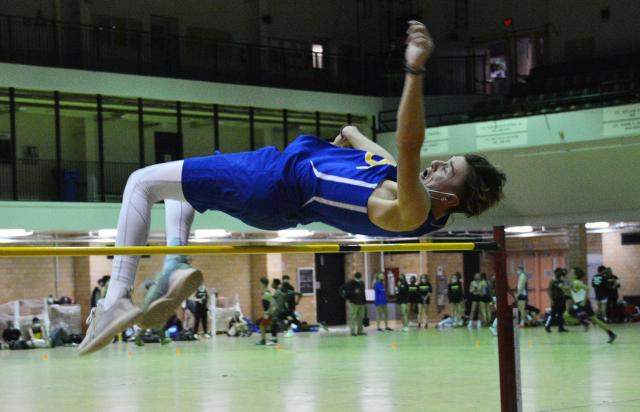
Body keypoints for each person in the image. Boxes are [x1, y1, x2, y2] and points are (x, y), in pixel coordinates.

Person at [79, 20, 506, 355]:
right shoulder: (395, 181)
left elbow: (409, 145)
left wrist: (414, 69)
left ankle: (116, 296)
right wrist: (348, 135)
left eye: (447, 168)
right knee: (182, 185)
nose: (436, 164)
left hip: (274, 182)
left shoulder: (411, 208)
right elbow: (380, 152)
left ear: (451, 198)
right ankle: (175, 263)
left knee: (140, 184)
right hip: (278, 184)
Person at [567, 267, 616, 343]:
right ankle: (611, 334)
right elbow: (574, 293)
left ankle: (584, 321)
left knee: (566, 315)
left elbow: (587, 288)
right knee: (595, 320)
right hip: (582, 303)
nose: (570, 273)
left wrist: (583, 301)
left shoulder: (576, 282)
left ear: (576, 275)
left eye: (572, 272)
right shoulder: (573, 282)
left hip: (582, 303)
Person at [545, 268, 569, 333]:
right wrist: (551, 300)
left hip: (561, 299)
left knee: (560, 314)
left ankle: (561, 328)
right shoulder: (552, 281)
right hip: (555, 300)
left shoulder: (562, 280)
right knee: (552, 314)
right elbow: (549, 291)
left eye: (560, 272)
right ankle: (547, 326)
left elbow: (566, 288)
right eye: (558, 272)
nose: (560, 273)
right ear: (555, 273)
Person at [256, 277, 278, 346]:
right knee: (264, 325)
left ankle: (263, 340)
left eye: (260, 283)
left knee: (262, 326)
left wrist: (268, 311)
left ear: (263, 284)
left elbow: (274, 303)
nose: (259, 285)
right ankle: (272, 339)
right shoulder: (264, 293)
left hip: (268, 313)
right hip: (267, 313)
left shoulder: (266, 294)